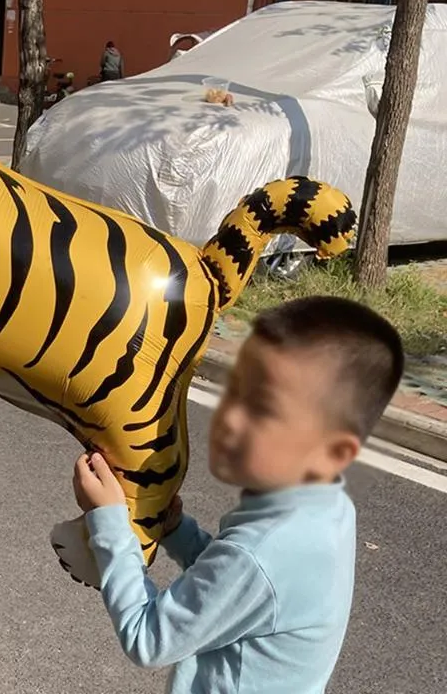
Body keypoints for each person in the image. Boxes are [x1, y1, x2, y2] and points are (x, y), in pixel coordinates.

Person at [72, 295, 404, 694]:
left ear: (333, 453)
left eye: (263, 410)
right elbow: (241, 592)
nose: (229, 417)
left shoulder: (262, 552)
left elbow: (149, 639)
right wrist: (178, 531)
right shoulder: (327, 509)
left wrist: (108, 519)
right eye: (235, 391)